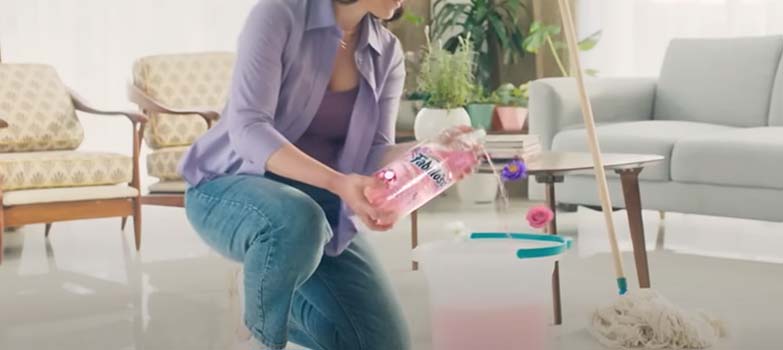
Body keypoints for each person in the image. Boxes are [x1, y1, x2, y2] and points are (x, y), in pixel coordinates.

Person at [177, 0, 413, 349]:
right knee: (298, 219)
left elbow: (374, 152)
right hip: (229, 185)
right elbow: (249, 127)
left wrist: (430, 152)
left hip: (319, 209)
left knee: (384, 344)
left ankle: (271, 286)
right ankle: (260, 334)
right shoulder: (279, 14)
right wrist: (337, 182)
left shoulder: (387, 52)